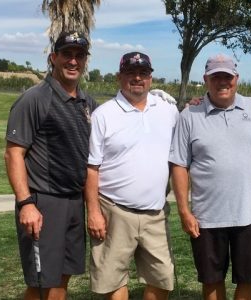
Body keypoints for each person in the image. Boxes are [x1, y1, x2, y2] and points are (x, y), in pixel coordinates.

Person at [169, 53, 251, 300]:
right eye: (216, 77)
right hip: (207, 217)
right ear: (206, 80)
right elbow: (179, 165)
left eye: (227, 77)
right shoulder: (189, 115)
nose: (222, 82)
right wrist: (184, 210)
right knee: (212, 281)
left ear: (236, 79)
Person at [4, 31, 98, 299]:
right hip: (43, 202)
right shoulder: (35, 99)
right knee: (41, 282)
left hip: (73, 202)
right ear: (53, 58)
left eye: (79, 56)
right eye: (67, 54)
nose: (73, 61)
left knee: (61, 279)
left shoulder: (87, 103)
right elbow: (13, 154)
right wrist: (26, 203)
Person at [84, 51, 178, 300]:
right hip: (114, 211)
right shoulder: (103, 115)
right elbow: (91, 168)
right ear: (119, 77)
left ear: (150, 77)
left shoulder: (168, 110)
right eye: (130, 73)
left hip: (155, 213)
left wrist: (197, 103)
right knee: (113, 281)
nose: (137, 78)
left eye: (143, 73)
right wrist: (93, 212)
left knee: (162, 280)